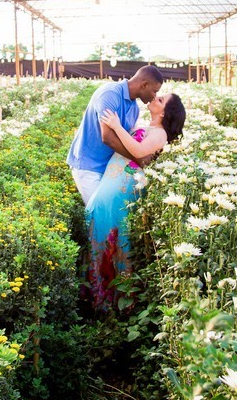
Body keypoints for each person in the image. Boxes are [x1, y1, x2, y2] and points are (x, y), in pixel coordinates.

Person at [84, 93, 186, 310]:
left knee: (113, 229)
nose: (155, 98)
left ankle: (117, 302)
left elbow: (138, 151)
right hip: (113, 178)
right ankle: (98, 295)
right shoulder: (146, 126)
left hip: (124, 186)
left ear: (164, 113)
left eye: (161, 100)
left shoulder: (160, 134)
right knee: (98, 218)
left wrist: (116, 126)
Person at [66, 65, 164, 206]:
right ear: (144, 85)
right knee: (97, 211)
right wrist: (139, 158)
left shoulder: (134, 108)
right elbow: (107, 137)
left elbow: (127, 139)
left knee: (107, 213)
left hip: (109, 168)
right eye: (154, 91)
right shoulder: (110, 94)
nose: (154, 96)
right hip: (89, 165)